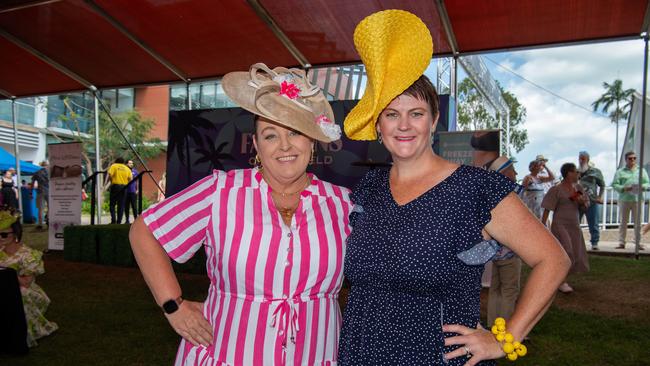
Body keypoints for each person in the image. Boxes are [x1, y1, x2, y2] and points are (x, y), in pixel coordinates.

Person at [339, 10, 570, 365]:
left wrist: (505, 338)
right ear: (378, 124)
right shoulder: (369, 188)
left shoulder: (475, 187)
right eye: (391, 114)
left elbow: (552, 259)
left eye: (416, 113)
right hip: (363, 351)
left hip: (436, 357)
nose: (404, 125)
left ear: (433, 121)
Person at [129, 62, 351, 365]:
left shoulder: (343, 203)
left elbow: (392, 271)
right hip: (227, 352)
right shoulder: (221, 191)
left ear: (311, 140)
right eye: (270, 135)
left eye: (295, 132)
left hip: (316, 354)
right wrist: (174, 305)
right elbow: (145, 231)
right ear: (256, 145)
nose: (284, 145)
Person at [0, 206, 58, 347]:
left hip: (24, 290)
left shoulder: (29, 255)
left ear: (16, 234)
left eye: (3, 235)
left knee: (19, 293)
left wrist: (9, 276)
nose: (0, 238)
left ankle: (20, 334)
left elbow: (26, 282)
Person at [541, 163, 590, 293]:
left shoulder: (578, 188)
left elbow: (585, 206)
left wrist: (582, 203)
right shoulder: (556, 189)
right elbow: (547, 209)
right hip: (560, 224)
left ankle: (559, 278)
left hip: (574, 225)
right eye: (576, 171)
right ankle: (561, 282)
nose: (578, 174)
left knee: (575, 252)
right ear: (568, 173)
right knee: (566, 250)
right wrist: (543, 226)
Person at [486, 157, 523, 326]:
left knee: (496, 289)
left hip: (495, 251)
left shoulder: (490, 192)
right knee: (509, 290)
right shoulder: (510, 193)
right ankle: (506, 329)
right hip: (510, 249)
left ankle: (493, 324)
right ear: (505, 172)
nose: (515, 172)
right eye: (512, 169)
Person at [611, 151, 649, 250]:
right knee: (623, 222)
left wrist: (642, 187)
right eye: (630, 158)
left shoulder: (641, 171)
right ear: (626, 160)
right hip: (625, 199)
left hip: (638, 199)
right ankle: (621, 242)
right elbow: (615, 184)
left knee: (638, 222)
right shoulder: (620, 171)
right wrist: (624, 188)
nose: (633, 160)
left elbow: (647, 183)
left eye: (634, 158)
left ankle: (638, 242)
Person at [577, 151, 605, 250]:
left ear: (588, 160)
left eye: (583, 159)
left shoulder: (595, 171)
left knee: (593, 223)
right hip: (578, 202)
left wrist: (600, 197)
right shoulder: (575, 172)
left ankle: (594, 242)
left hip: (592, 201)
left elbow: (602, 185)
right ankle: (577, 242)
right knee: (575, 223)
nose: (581, 160)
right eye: (579, 158)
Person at [105, 157, 132, 224]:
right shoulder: (127, 168)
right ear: (123, 162)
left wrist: (111, 181)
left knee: (112, 204)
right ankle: (119, 221)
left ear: (116, 161)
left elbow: (110, 175)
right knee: (121, 205)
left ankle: (113, 220)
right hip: (124, 187)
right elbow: (130, 179)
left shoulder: (114, 166)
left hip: (115, 186)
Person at [31, 161, 49, 229]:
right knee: (50, 208)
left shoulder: (37, 172)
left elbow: (32, 183)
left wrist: (30, 192)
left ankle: (40, 224)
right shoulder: (50, 172)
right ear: (47, 165)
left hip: (40, 192)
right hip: (49, 192)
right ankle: (48, 220)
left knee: (40, 209)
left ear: (41, 165)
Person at [123, 160, 139, 224]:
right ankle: (127, 220)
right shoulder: (124, 170)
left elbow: (138, 181)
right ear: (126, 164)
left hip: (133, 191)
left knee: (134, 206)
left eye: (132, 163)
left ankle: (136, 220)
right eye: (130, 163)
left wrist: (137, 189)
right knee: (126, 206)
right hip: (126, 191)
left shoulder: (135, 171)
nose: (131, 164)